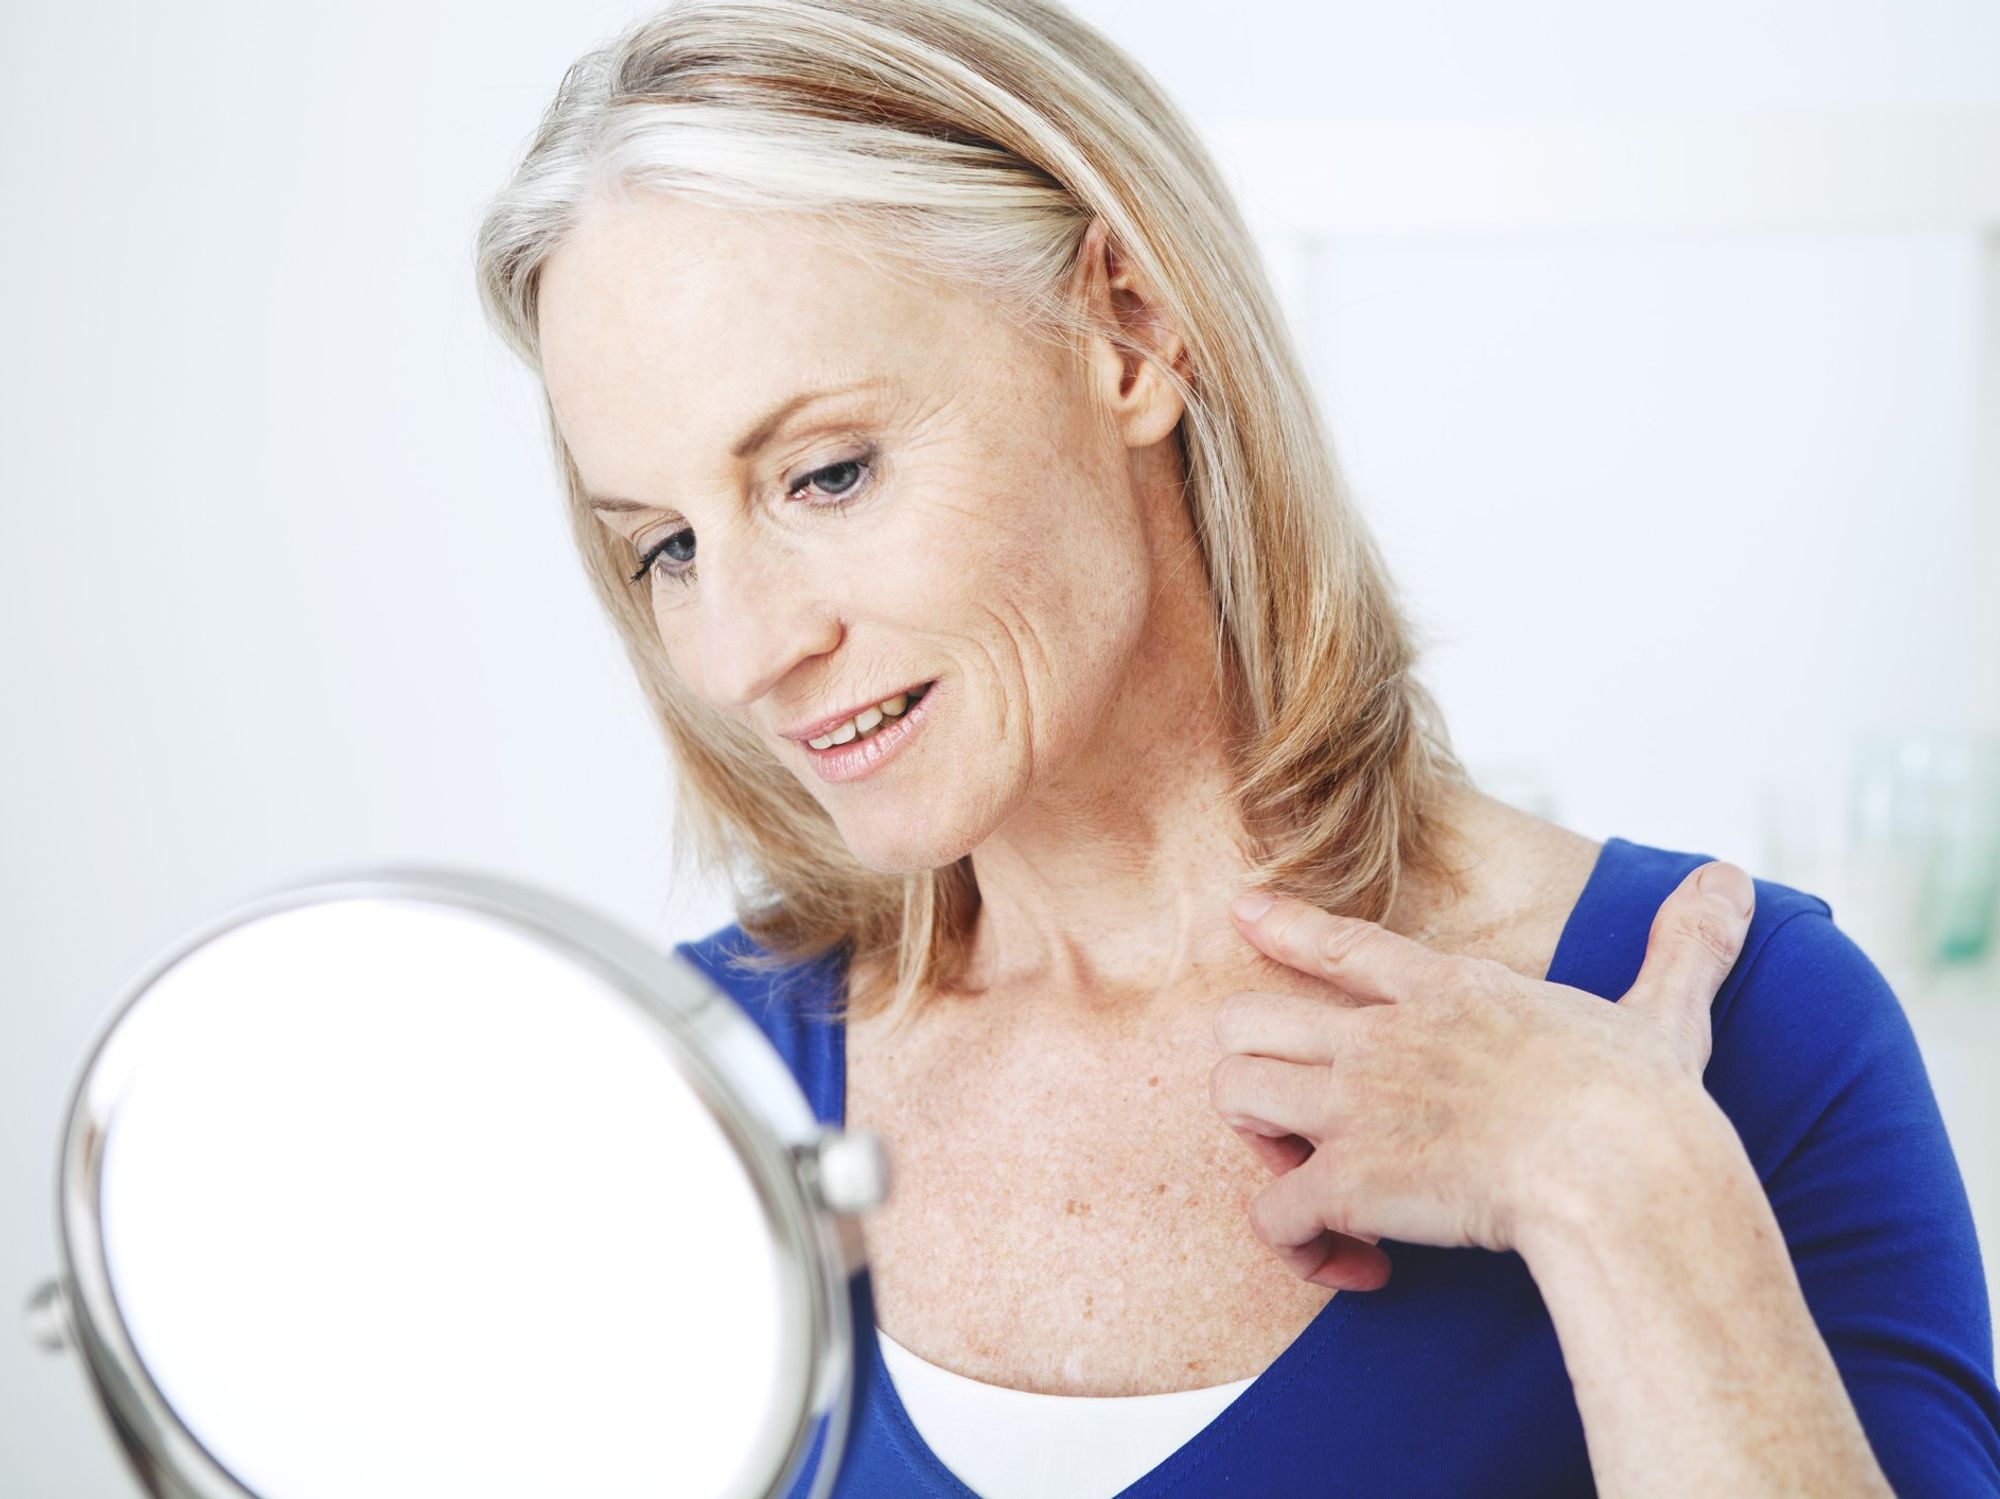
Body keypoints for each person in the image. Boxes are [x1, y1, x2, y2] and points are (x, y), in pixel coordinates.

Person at [473, 1, 2000, 1493]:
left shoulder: (1735, 1029)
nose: (743, 652)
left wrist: (1626, 1183)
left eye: (827, 475)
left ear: (1129, 329)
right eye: (668, 547)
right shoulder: (694, 1092)